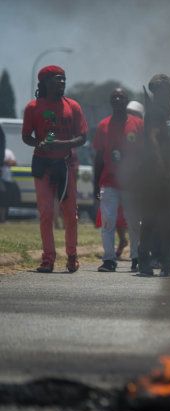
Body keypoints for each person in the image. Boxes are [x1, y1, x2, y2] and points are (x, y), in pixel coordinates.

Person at [21, 65, 88, 273]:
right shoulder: (33, 107)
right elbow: (26, 136)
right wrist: (38, 144)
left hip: (65, 165)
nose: (62, 82)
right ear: (45, 83)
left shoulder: (73, 106)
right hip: (43, 165)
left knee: (70, 214)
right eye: (57, 79)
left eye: (63, 79)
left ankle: (72, 256)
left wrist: (61, 144)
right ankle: (48, 259)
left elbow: (83, 137)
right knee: (46, 213)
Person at [92, 88, 144, 273]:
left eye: (121, 97)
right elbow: (98, 157)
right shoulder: (103, 125)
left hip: (132, 184)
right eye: (114, 97)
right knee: (108, 223)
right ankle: (109, 259)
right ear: (111, 101)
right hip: (109, 182)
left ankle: (137, 257)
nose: (117, 99)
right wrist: (95, 184)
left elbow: (146, 155)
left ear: (126, 101)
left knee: (134, 222)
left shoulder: (138, 124)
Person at [137, 74, 170, 277]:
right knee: (157, 220)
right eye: (169, 88)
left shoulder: (164, 112)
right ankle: (151, 262)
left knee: (161, 220)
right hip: (158, 176)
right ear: (160, 91)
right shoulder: (156, 112)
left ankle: (160, 263)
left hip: (164, 173)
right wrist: (163, 167)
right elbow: (154, 140)